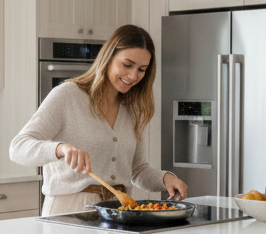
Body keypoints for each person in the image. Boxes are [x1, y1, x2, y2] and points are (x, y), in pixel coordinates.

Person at [10, 24, 189, 216]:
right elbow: (18, 148)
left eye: (142, 69)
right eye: (127, 65)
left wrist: (165, 179)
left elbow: (137, 169)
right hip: (69, 213)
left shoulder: (132, 108)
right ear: (108, 57)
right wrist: (60, 149)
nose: (133, 76)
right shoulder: (68, 96)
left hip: (118, 213)